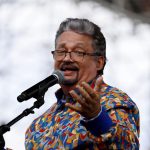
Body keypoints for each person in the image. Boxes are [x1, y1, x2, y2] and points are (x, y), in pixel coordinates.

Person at [25, 18, 140, 149]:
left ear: (99, 62)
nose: (67, 58)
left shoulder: (115, 102)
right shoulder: (38, 124)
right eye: (61, 51)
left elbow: (126, 146)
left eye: (78, 52)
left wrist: (97, 117)